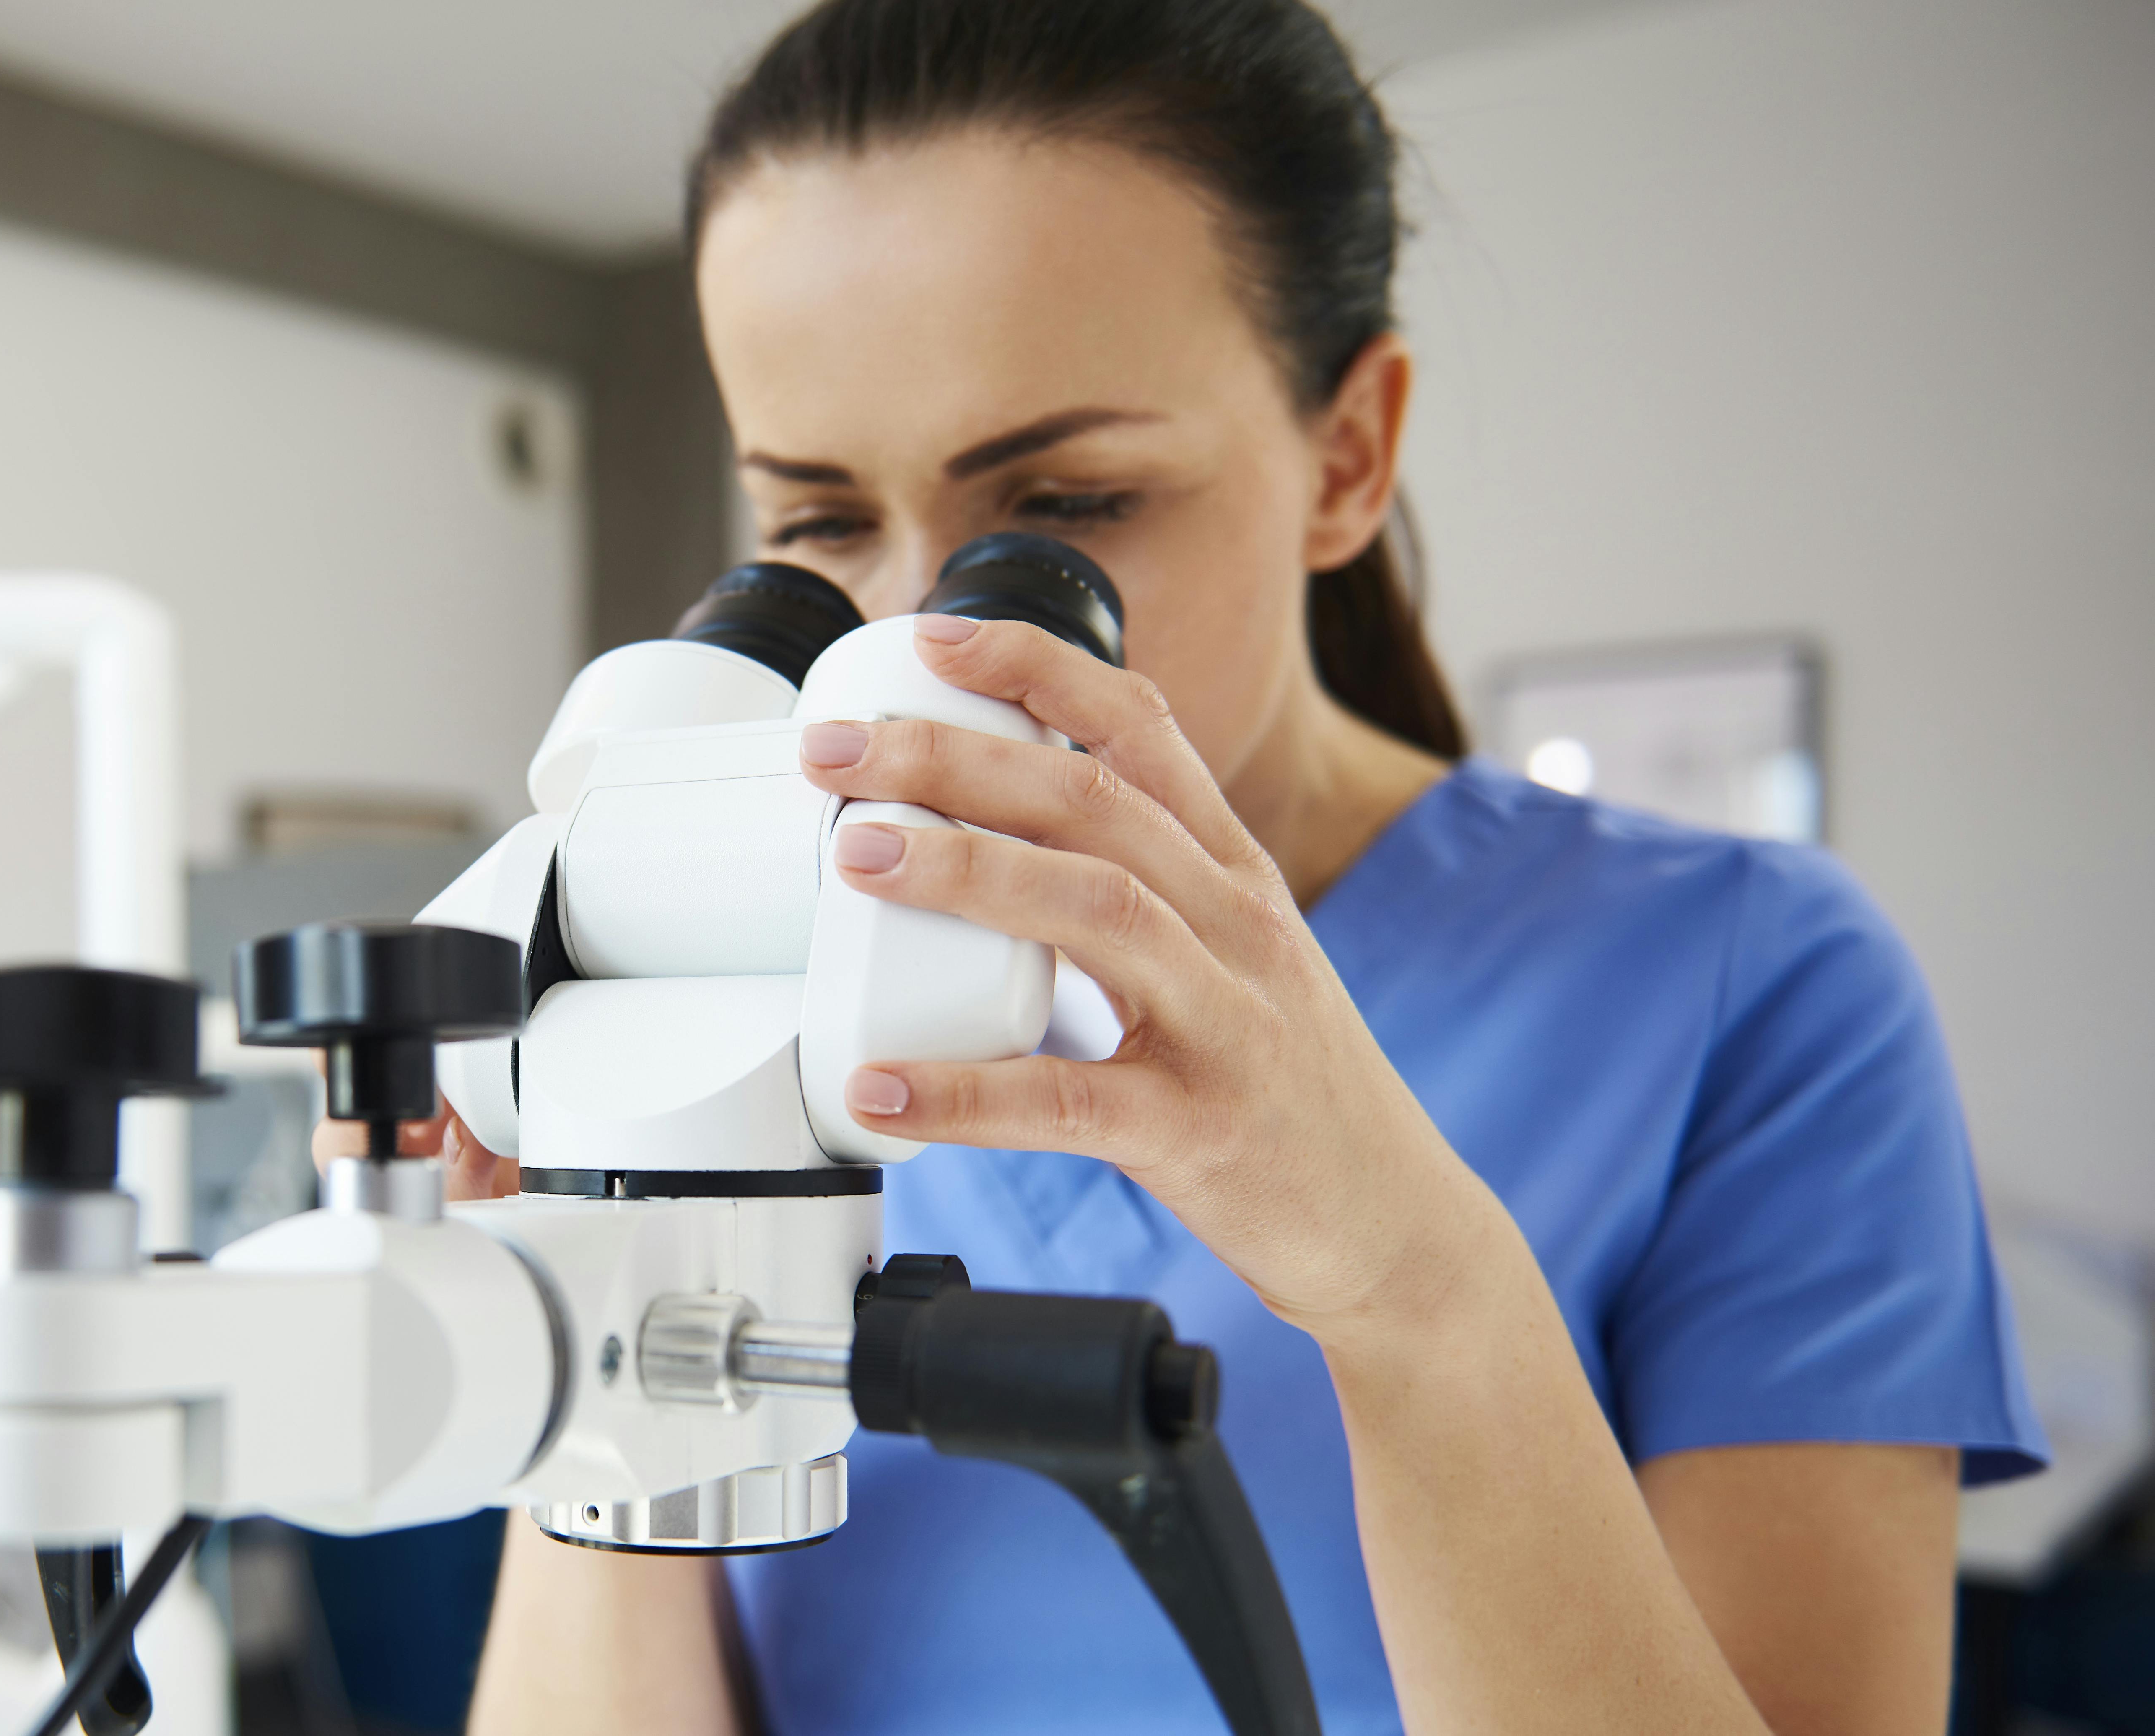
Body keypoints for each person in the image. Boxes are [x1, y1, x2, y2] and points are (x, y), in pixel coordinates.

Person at [335, 1, 2042, 1729]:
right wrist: (600, 1265)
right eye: (818, 526)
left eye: (1061, 505)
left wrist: (1412, 1286)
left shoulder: (1751, 983)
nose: (914, 641)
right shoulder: (716, 988)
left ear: (1349, 453)